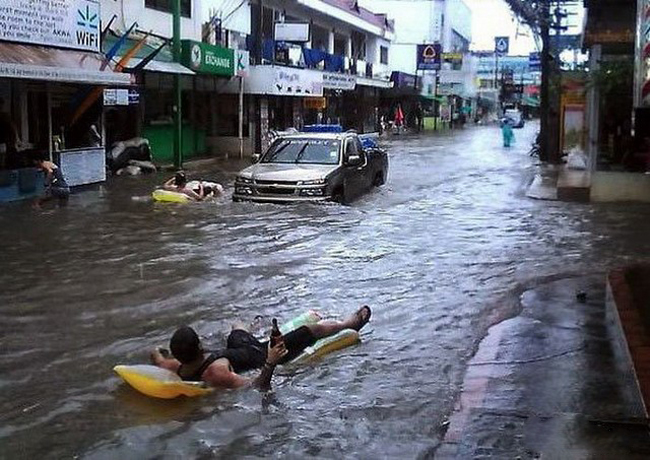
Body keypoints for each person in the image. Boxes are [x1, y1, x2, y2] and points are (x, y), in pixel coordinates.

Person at [151, 306, 372, 391]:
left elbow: (157, 357)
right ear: (199, 346)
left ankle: (255, 326)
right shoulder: (215, 373)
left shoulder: (176, 366)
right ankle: (348, 324)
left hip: (238, 347)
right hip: (259, 355)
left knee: (237, 326)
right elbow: (256, 386)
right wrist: (271, 361)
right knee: (310, 330)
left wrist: (158, 350)